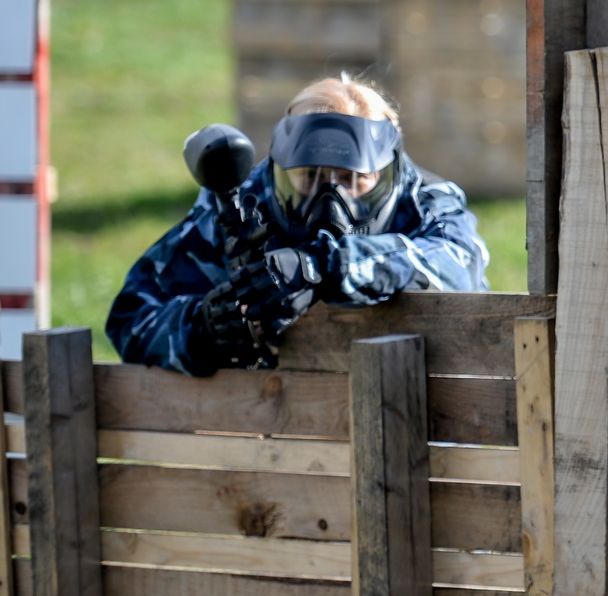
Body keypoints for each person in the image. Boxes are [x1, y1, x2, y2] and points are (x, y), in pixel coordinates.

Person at [107, 75, 491, 376]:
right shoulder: (246, 205)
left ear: (385, 174)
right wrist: (202, 328)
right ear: (283, 171)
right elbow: (130, 318)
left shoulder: (424, 200)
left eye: (351, 179)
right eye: (309, 177)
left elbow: (463, 268)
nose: (330, 200)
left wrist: (323, 267)